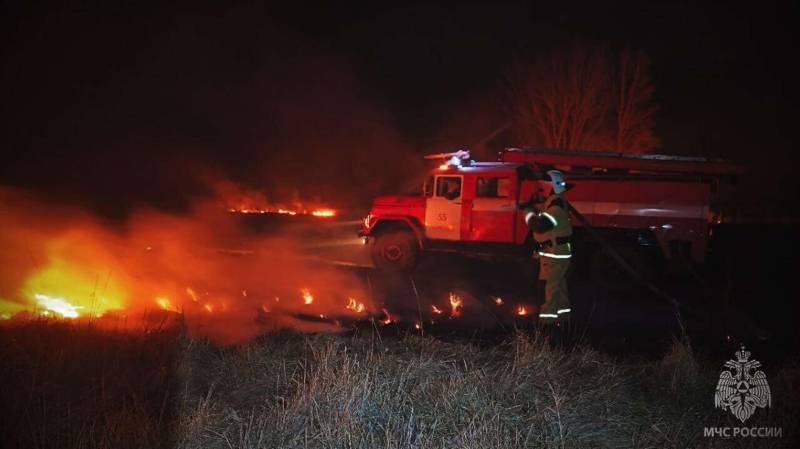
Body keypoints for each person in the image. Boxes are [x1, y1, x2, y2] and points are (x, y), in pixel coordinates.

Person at [521, 170, 573, 327]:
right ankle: (563, 322)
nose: (540, 189)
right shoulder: (554, 202)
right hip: (556, 254)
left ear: (550, 186)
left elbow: (539, 226)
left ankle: (546, 326)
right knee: (558, 288)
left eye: (542, 186)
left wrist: (527, 212)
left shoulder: (556, 206)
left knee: (547, 290)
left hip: (555, 255)